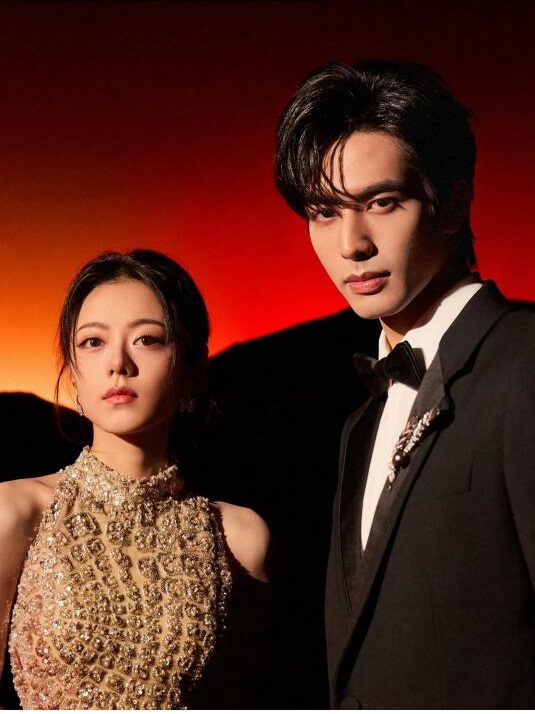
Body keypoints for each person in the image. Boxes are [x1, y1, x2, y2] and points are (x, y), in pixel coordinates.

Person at [276, 59, 535, 708]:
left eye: (381, 203)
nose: (351, 244)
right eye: (324, 212)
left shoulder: (524, 361)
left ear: (452, 203)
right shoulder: (359, 422)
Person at [0, 249, 270, 710]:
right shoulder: (17, 511)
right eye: (92, 342)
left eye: (147, 339)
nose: (118, 363)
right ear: (73, 371)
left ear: (189, 368)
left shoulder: (240, 538)